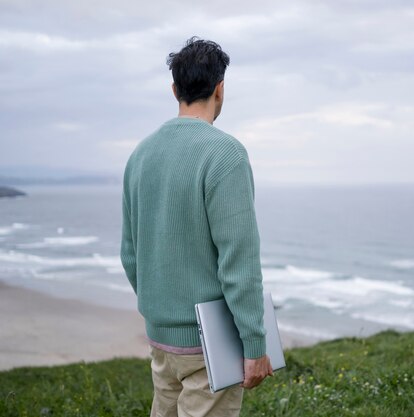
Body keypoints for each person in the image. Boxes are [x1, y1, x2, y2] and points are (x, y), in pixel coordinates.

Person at [120, 36, 272, 417]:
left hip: (161, 339)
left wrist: (161, 310)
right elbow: (238, 262)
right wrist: (254, 345)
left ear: (175, 89)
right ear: (220, 90)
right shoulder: (225, 154)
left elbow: (129, 254)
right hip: (211, 345)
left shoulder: (140, 154)